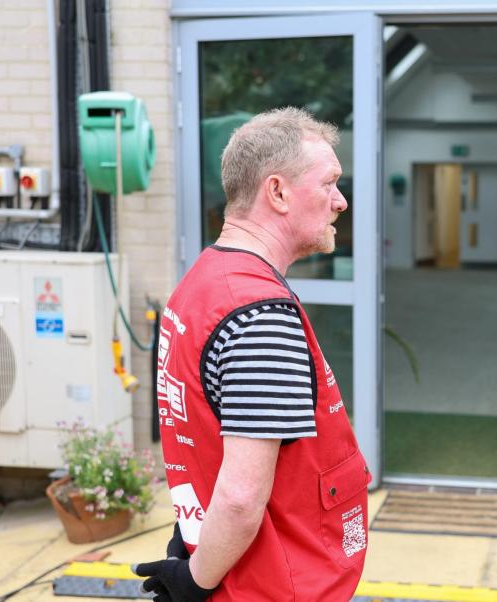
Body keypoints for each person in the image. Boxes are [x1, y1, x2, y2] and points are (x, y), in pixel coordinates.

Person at [133, 107, 370, 601]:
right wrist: (195, 581)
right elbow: (241, 498)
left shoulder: (202, 282)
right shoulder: (259, 313)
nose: (341, 201)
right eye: (329, 183)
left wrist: (194, 549)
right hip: (269, 585)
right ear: (278, 192)